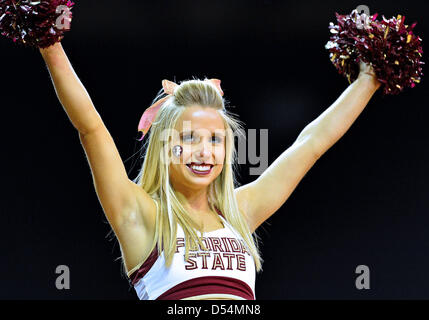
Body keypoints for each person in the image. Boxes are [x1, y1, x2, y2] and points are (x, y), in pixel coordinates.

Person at [39, 42, 381, 300]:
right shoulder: (141, 214)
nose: (205, 151)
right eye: (189, 138)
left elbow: (311, 144)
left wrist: (368, 80)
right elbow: (91, 128)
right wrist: (49, 44)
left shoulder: (239, 212)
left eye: (215, 140)